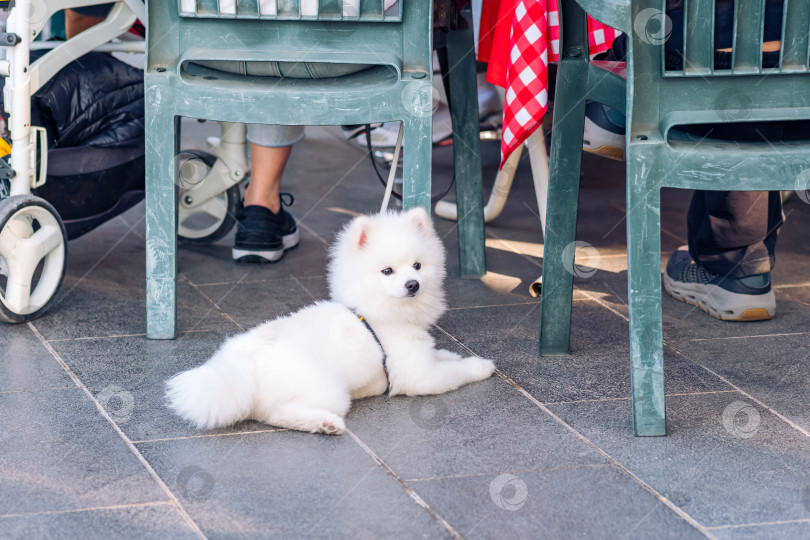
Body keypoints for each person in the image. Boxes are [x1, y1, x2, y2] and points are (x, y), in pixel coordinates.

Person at [583, 0, 787, 321]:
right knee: (752, 108)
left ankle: (614, 103)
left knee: (673, 38)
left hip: (693, 60)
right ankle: (740, 266)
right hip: (795, 84)